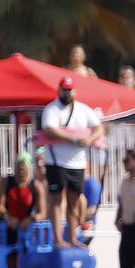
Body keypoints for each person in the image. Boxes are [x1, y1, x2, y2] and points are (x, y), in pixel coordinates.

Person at [38, 76, 104, 250]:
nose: (66, 93)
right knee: (56, 200)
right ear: (59, 90)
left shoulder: (83, 110)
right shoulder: (51, 109)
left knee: (74, 201)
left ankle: (73, 237)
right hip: (56, 162)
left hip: (77, 164)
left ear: (74, 91)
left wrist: (90, 139)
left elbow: (99, 127)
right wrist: (73, 139)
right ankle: (58, 238)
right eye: (64, 89)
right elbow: (49, 129)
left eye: (69, 90)